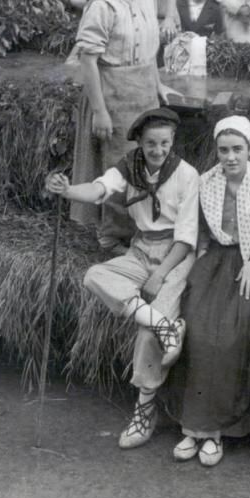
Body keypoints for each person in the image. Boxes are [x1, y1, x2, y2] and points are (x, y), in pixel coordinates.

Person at [46, 108, 200, 447]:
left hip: (175, 257)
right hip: (140, 250)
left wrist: (160, 275)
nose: (157, 150)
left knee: (146, 333)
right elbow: (99, 190)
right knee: (94, 276)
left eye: (164, 143)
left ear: (172, 142)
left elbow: (187, 238)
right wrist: (69, 190)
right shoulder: (128, 168)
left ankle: (144, 412)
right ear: (140, 144)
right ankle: (165, 326)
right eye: (150, 144)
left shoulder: (188, 175)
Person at [165, 116, 250, 467]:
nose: (230, 157)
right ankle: (192, 428)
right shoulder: (206, 183)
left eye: (238, 149)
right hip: (213, 262)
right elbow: (196, 230)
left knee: (230, 338)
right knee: (198, 332)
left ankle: (215, 431)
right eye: (224, 150)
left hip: (247, 268)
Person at [69, 0, 163, 251]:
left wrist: (158, 87)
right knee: (119, 166)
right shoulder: (102, 5)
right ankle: (111, 236)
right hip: (114, 94)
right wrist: (100, 111)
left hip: (145, 93)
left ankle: (140, 230)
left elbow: (150, 52)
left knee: (145, 164)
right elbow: (88, 61)